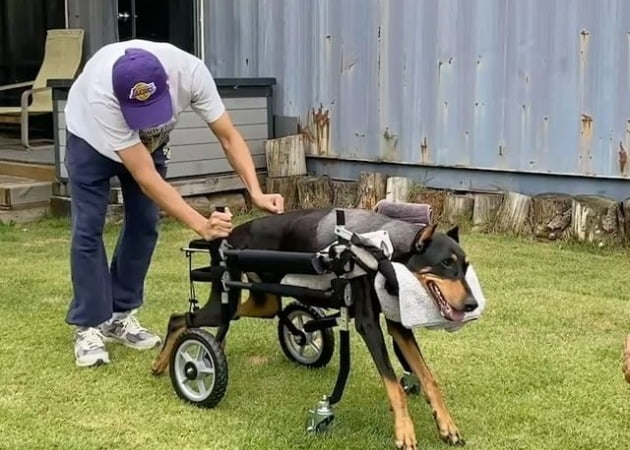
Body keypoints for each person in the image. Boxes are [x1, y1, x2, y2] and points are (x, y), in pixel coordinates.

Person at [63, 39, 284, 368]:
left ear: (168, 83)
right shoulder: (101, 94)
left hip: (148, 148)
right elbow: (146, 177)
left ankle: (120, 315)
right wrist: (200, 223)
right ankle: (90, 325)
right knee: (89, 227)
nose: (147, 121)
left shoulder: (191, 72)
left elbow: (228, 135)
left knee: (145, 223)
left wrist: (255, 190)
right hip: (89, 141)